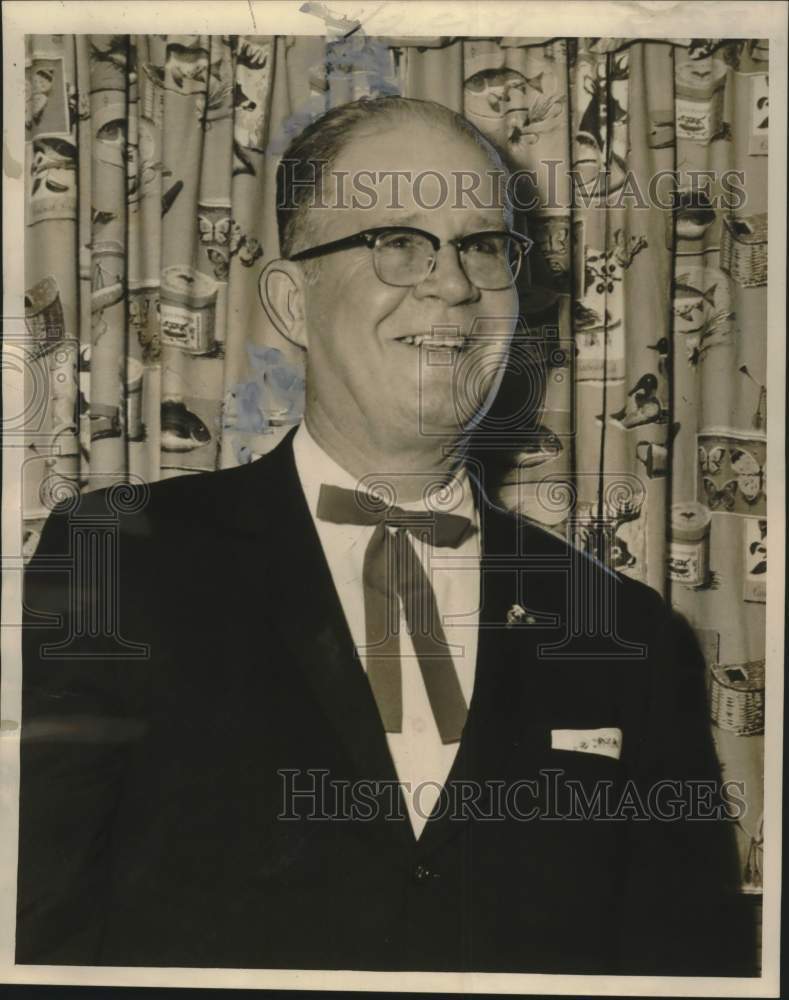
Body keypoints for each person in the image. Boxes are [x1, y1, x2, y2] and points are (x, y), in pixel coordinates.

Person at [17, 96, 755, 975]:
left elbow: (685, 969)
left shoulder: (629, 632)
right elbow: (35, 926)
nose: (452, 285)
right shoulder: (117, 557)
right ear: (293, 300)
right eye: (398, 240)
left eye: (483, 246)